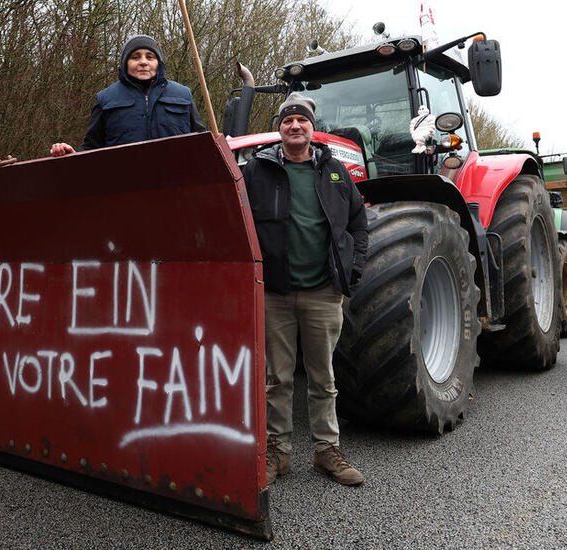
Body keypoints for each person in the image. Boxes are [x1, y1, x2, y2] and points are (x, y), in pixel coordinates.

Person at [242, 93, 368, 486]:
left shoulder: (334, 172)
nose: (294, 126)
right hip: (275, 293)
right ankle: (278, 453)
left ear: (313, 128)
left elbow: (358, 225)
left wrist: (353, 268)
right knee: (277, 379)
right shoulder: (257, 172)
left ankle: (326, 451)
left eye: (301, 120)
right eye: (287, 121)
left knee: (322, 378)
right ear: (279, 129)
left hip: (322, 292)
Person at [50, 35, 205, 156]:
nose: (143, 62)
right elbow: (92, 149)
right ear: (125, 63)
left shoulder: (184, 95)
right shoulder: (105, 99)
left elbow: (202, 144)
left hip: (179, 186)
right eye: (135, 57)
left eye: (150, 57)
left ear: (159, 63)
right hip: (124, 187)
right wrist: (72, 154)